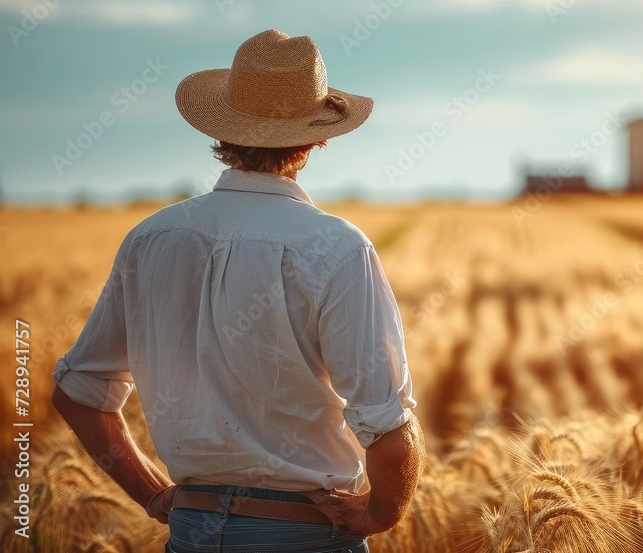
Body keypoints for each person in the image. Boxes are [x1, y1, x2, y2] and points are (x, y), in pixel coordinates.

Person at [50, 29, 424, 553]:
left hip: (190, 533)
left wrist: (154, 495)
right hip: (307, 536)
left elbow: (77, 392)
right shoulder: (335, 248)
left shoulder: (151, 239)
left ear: (224, 129)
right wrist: (383, 511)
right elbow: (385, 425)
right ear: (316, 138)